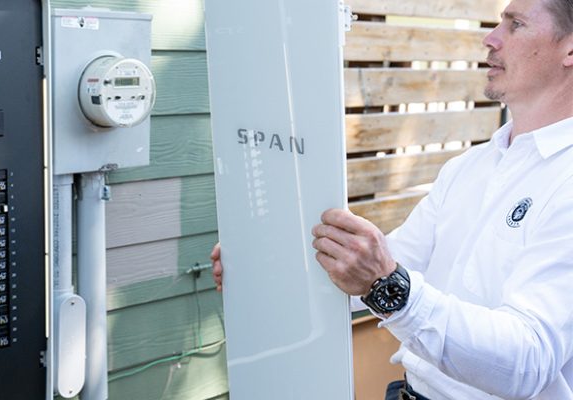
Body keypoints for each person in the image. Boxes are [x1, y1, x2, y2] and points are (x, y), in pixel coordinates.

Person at [212, 0, 573, 398]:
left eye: (515, 24)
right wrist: (270, 270)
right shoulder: (469, 167)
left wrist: (390, 288)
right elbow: (385, 265)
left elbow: (528, 360)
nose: (490, 39)